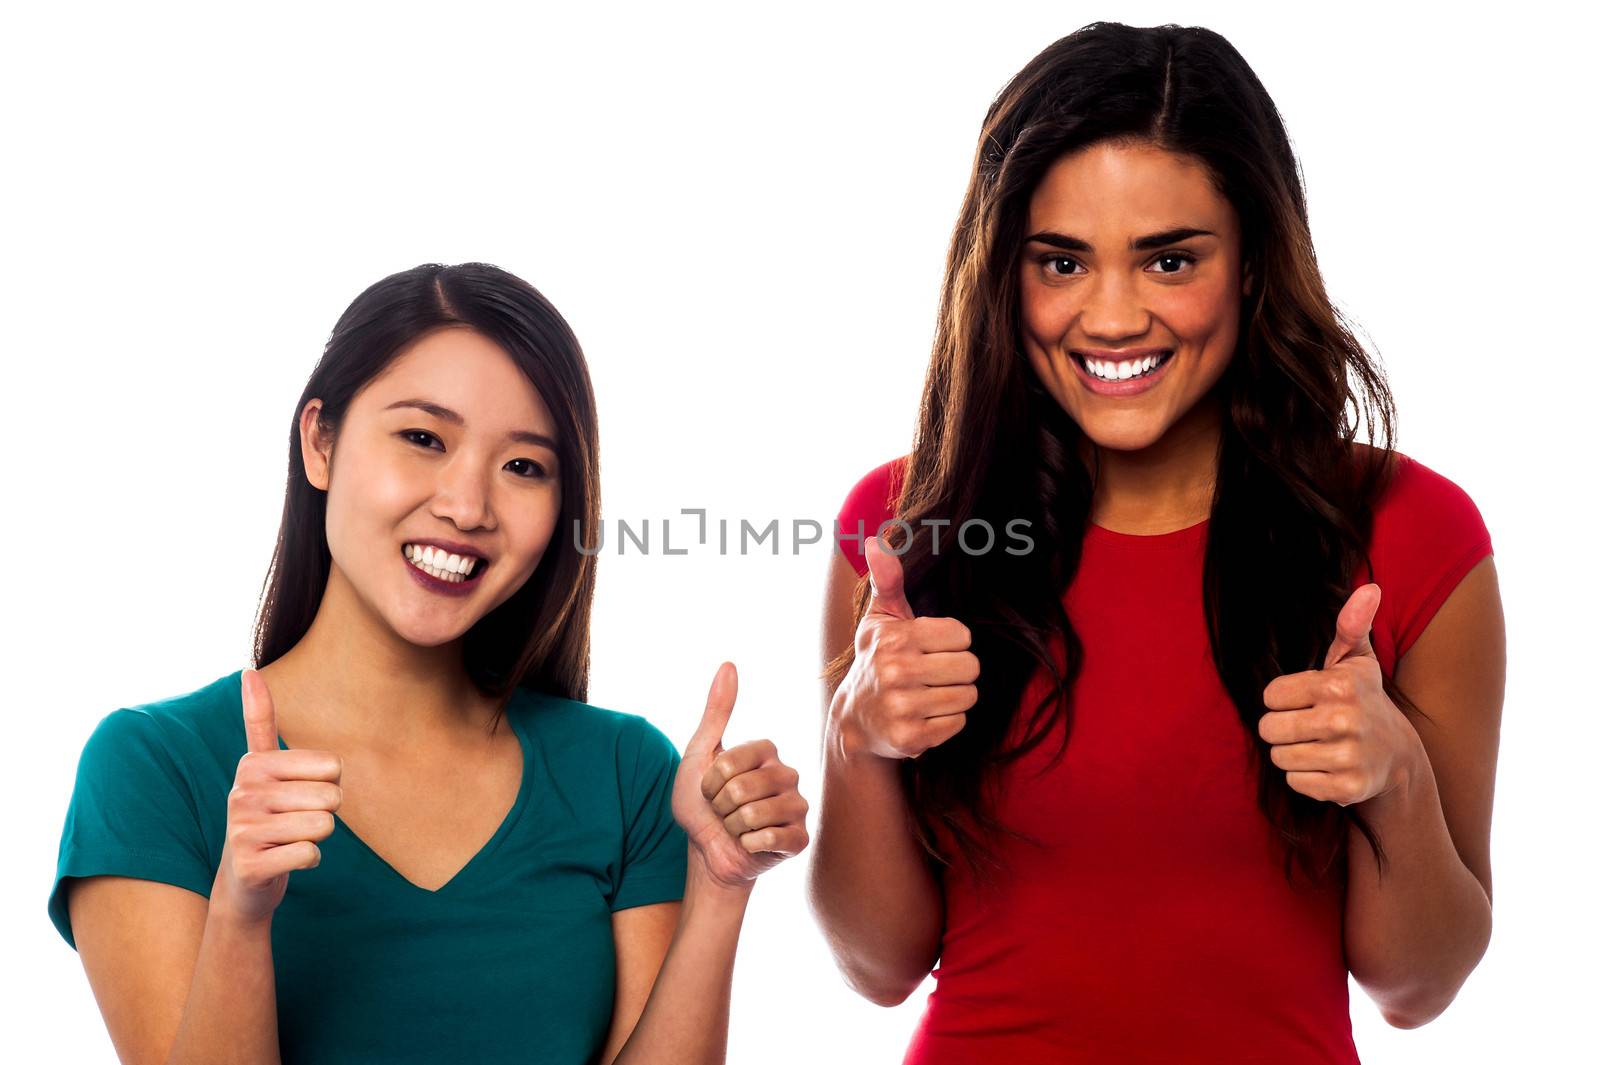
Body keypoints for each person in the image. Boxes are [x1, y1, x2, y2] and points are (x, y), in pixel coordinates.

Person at [808, 22, 1503, 1065]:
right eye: (1061, 262)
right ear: (1003, 274)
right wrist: (856, 745)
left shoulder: (1413, 534)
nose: (1113, 315)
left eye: (1168, 258)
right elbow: (878, 967)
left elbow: (1418, 987)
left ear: (1254, 263)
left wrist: (1394, 782)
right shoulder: (906, 527)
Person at [48, 262, 810, 1065]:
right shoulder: (152, 768)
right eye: (423, 438)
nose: (468, 506)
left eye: (524, 466)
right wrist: (240, 914)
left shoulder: (627, 774)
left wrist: (721, 888)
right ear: (320, 440)